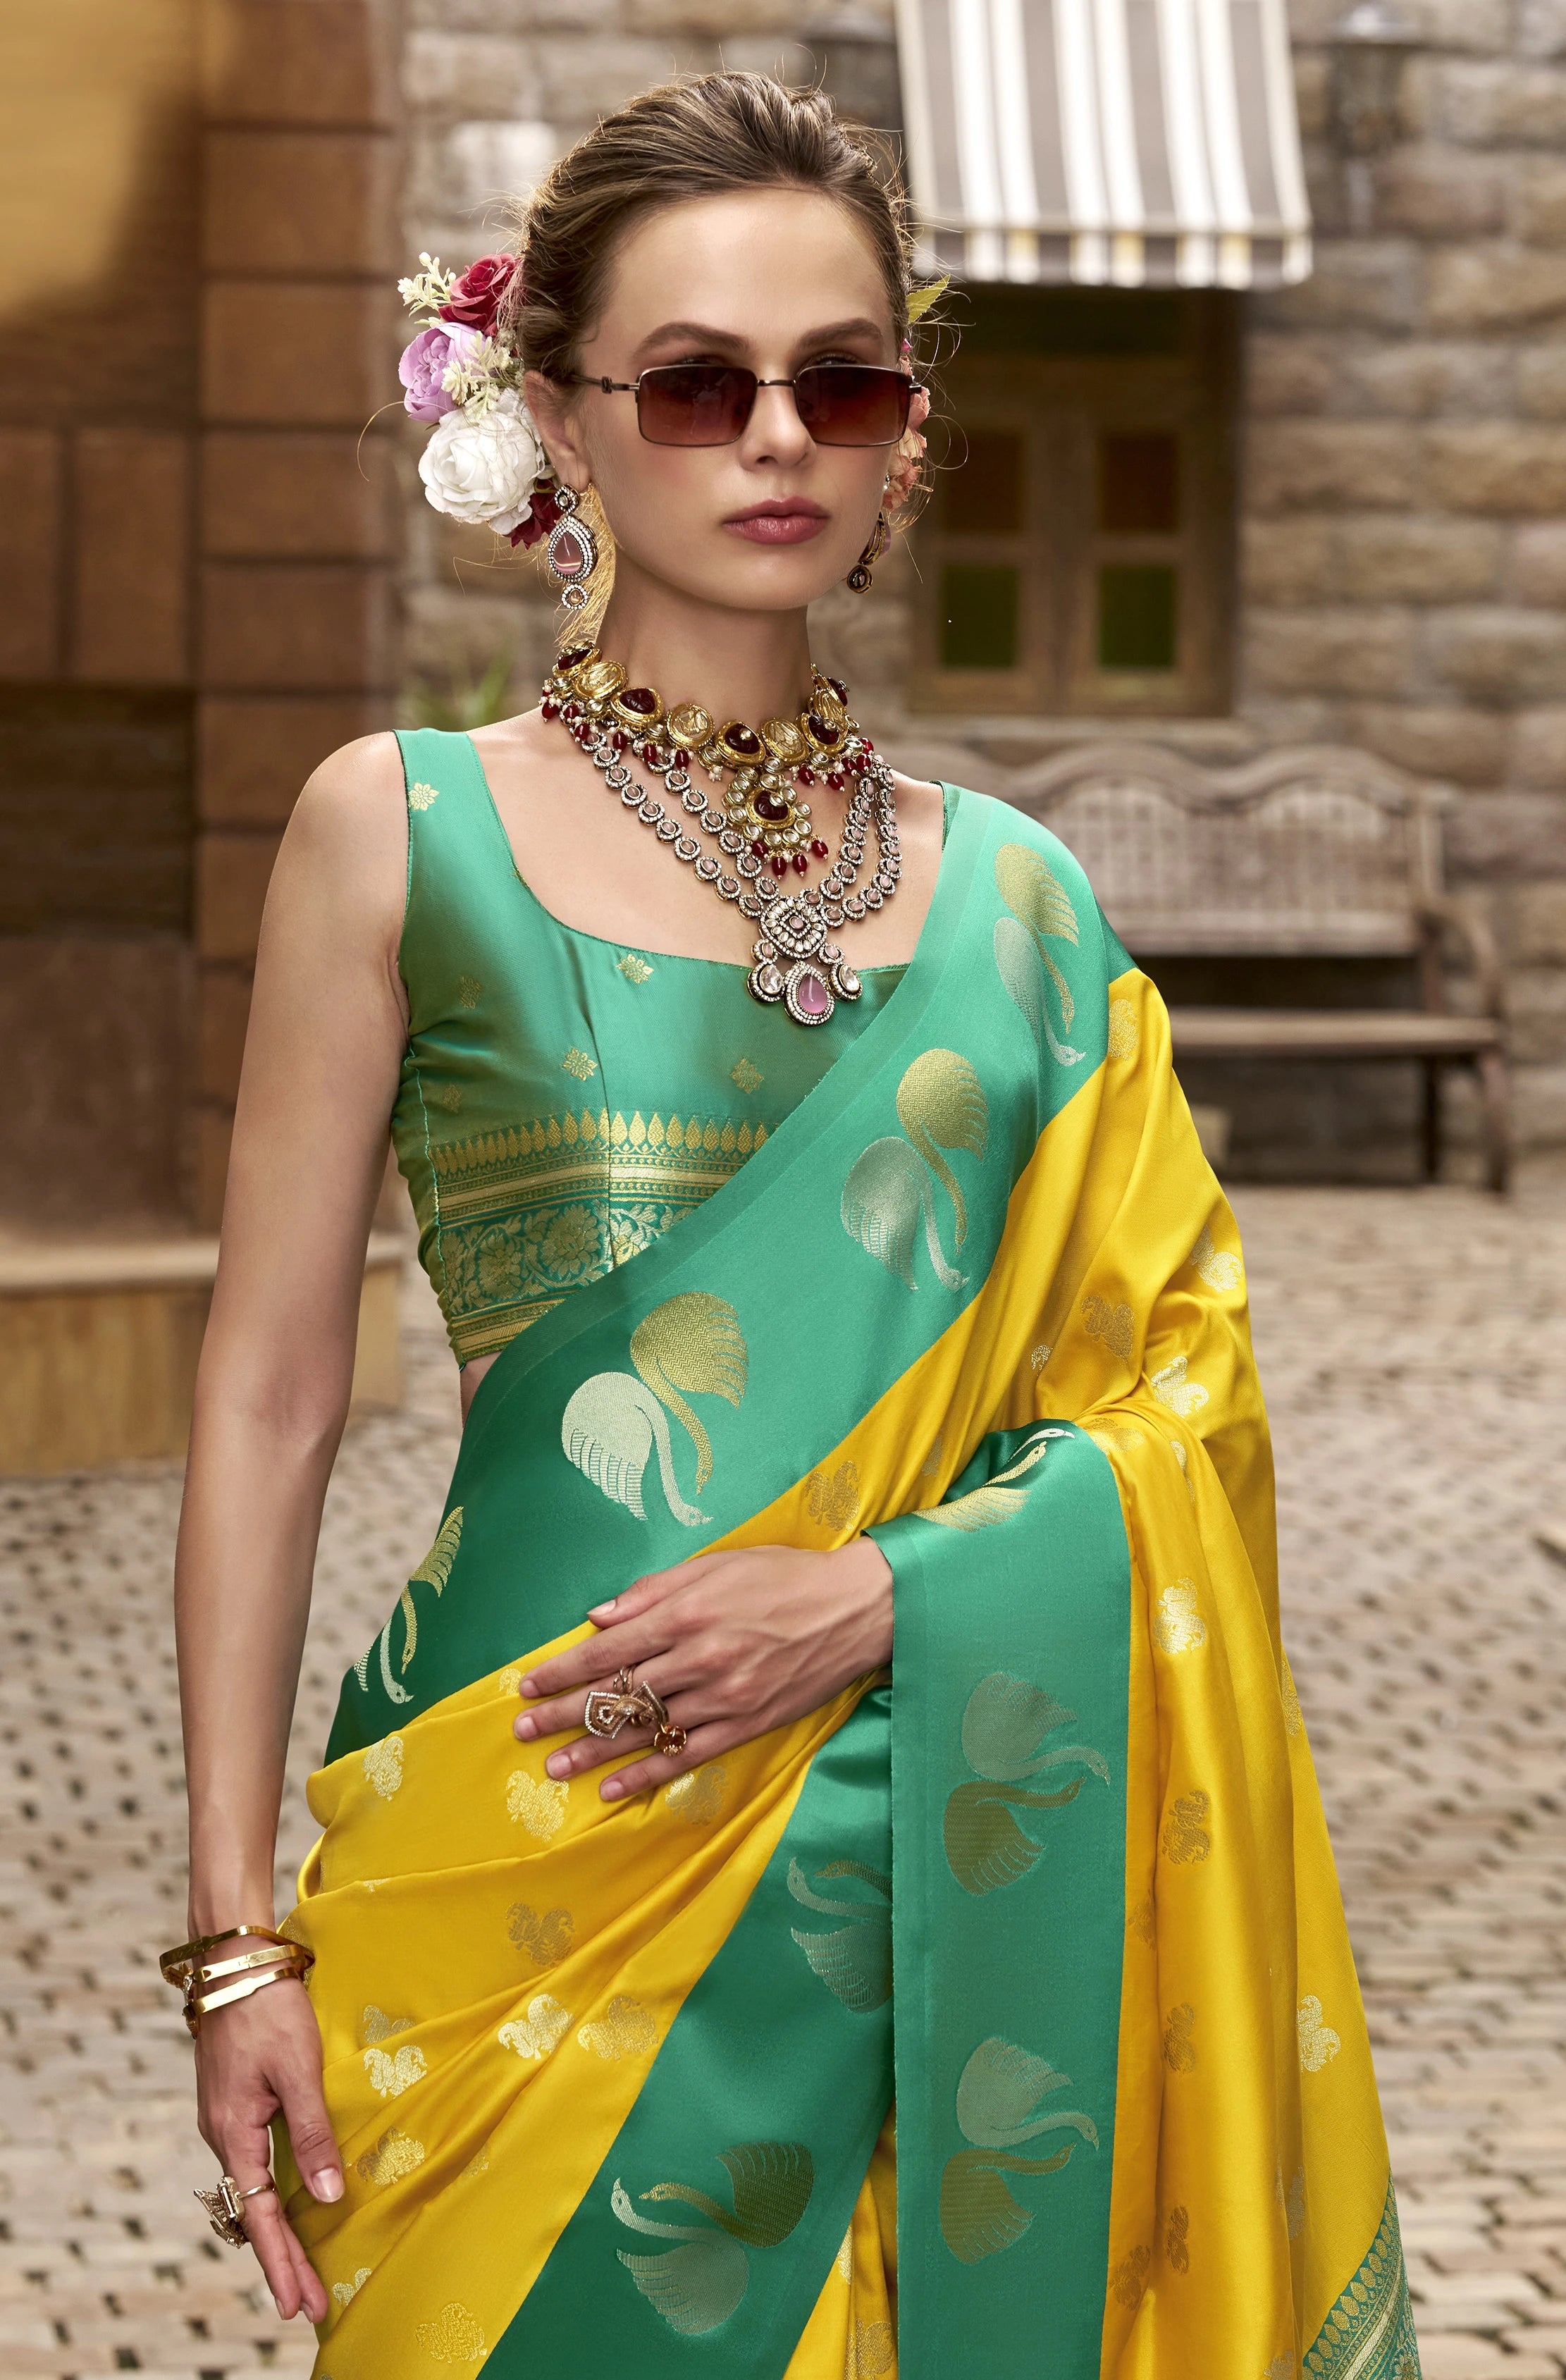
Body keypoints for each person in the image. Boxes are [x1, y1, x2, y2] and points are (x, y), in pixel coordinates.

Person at [171, 70, 1420, 2380]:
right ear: (558, 412)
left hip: (944, 1860)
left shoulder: (1023, 913)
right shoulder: (400, 832)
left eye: (842, 380)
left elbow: (1185, 1391)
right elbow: (264, 1391)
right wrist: (239, 1939)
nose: (777, 439)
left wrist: (882, 1596)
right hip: (528, 1843)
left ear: (907, 430)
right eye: (696, 382)